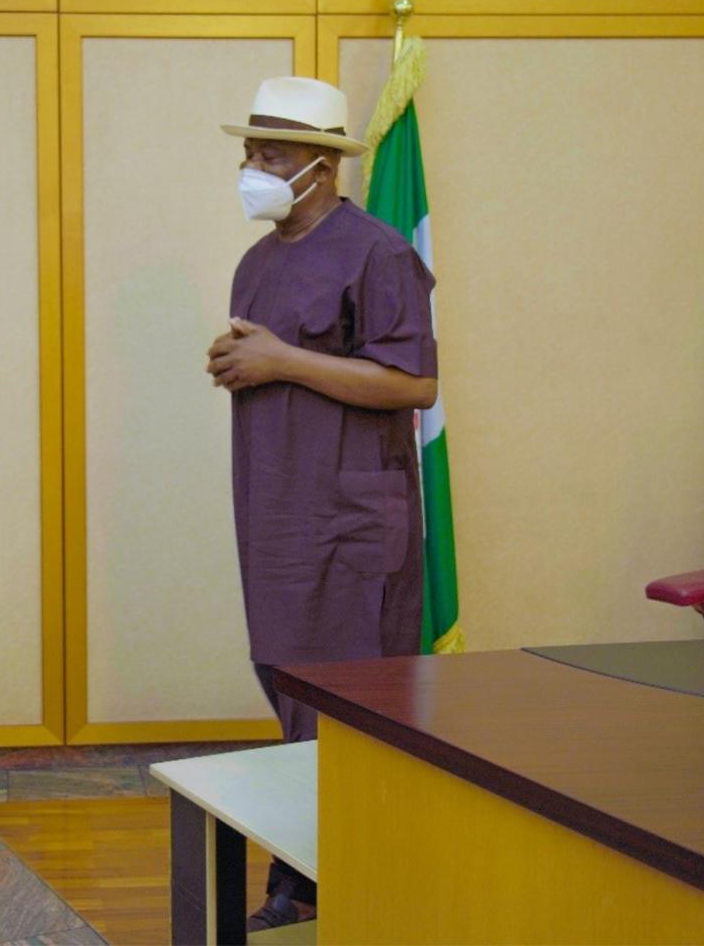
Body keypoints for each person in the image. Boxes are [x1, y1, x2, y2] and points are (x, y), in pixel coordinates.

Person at [208, 77, 439, 932]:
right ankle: (307, 869)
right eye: (248, 152)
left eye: (269, 155)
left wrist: (283, 364)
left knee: (345, 702)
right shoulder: (258, 260)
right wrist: (243, 362)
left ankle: (322, 881)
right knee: (288, 681)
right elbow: (268, 357)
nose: (251, 168)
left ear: (320, 165)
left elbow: (415, 381)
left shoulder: (376, 253)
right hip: (275, 509)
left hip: (349, 520)